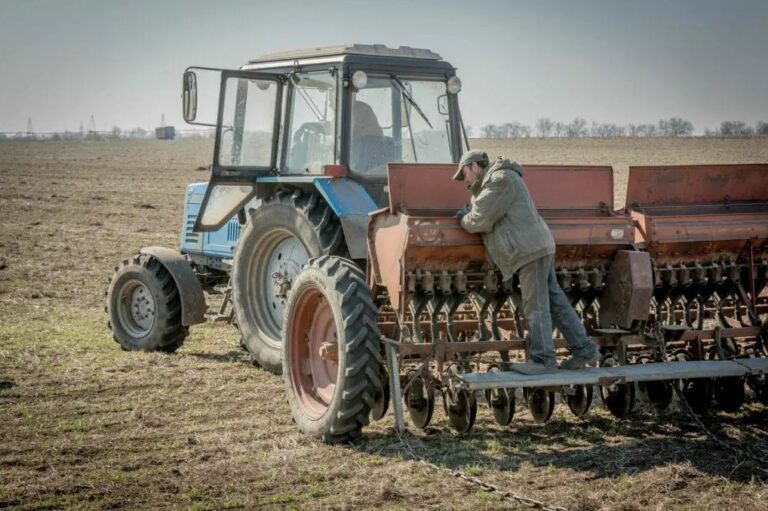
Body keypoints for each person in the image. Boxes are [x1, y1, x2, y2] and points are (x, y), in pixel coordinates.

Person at [454, 150, 600, 374]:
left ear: (474, 166)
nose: (465, 181)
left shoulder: (499, 180)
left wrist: (463, 217)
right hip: (536, 247)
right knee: (554, 302)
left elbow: (479, 220)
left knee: (536, 306)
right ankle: (584, 349)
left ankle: (543, 361)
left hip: (528, 251)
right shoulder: (501, 179)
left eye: (464, 174)